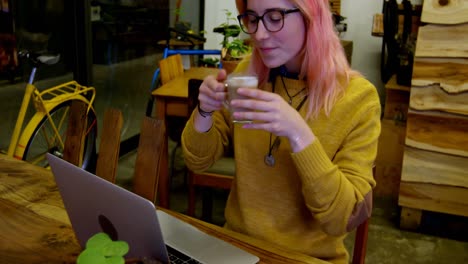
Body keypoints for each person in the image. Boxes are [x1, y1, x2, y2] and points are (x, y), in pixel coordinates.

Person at [181, 0, 381, 263]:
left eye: (275, 17)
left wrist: (299, 133)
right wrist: (205, 110)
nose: (259, 35)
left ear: (312, 17)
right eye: (253, 19)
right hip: (236, 249)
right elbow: (197, 160)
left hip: (307, 259)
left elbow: (341, 218)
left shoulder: (359, 99)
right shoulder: (249, 75)